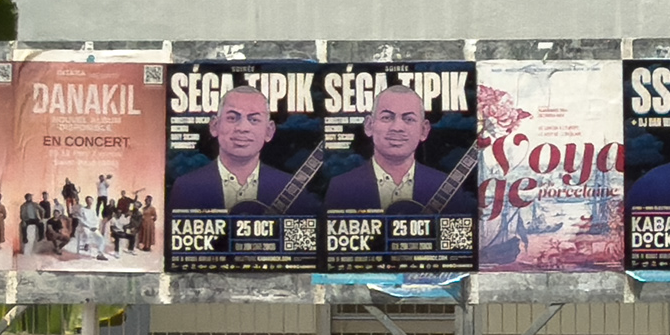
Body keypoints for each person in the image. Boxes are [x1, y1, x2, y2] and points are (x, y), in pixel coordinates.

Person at [320, 81, 473, 215]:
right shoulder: (341, 187)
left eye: (409, 119)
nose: (397, 127)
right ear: (369, 126)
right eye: (387, 117)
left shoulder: (447, 187)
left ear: (424, 130)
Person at [170, 84, 306, 210]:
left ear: (269, 131)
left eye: (254, 120)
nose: (242, 128)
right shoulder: (186, 187)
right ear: (214, 126)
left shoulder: (290, 188)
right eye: (232, 118)